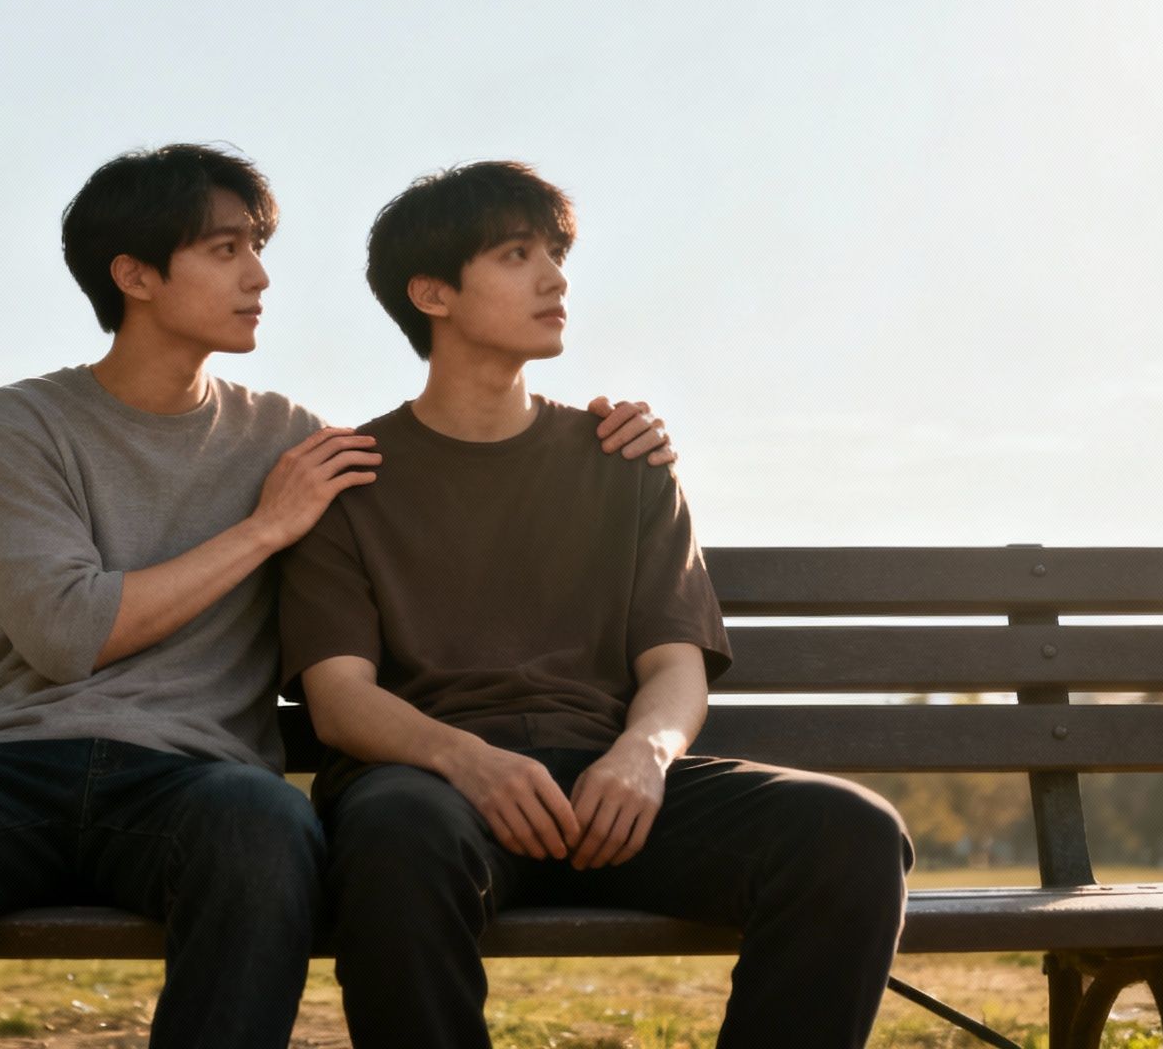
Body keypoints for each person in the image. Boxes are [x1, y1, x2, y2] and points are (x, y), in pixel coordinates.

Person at [0, 144, 679, 1049]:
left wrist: (614, 435)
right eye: (226, 249)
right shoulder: (22, 423)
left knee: (269, 828)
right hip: (2, 772)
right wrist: (265, 528)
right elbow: (68, 632)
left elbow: (452, 466)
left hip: (195, 783)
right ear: (135, 274)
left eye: (259, 248)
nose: (261, 277)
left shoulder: (291, 437)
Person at [282, 161, 913, 1049]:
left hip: (613, 787)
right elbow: (340, 698)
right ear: (433, 293)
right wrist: (470, 763)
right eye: (515, 254)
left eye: (555, 252)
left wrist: (643, 757)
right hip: (435, 790)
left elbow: (674, 665)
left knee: (850, 830)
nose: (555, 278)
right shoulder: (348, 479)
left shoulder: (626, 461)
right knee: (392, 834)